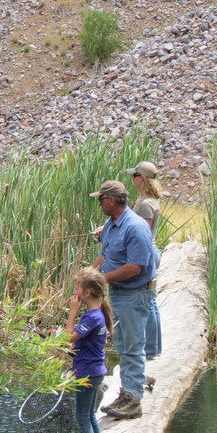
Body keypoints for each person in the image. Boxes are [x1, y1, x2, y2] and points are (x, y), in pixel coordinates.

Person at [89, 180, 157, 420]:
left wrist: (101, 280)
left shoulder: (136, 227)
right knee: (124, 346)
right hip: (119, 293)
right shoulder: (112, 223)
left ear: (111, 201)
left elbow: (134, 268)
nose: (99, 204)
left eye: (101, 200)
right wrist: (90, 272)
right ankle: (127, 391)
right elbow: (106, 253)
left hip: (134, 294)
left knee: (132, 347)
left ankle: (133, 400)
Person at [65, 266, 112, 433]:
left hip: (87, 374)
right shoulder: (98, 313)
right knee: (91, 416)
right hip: (95, 371)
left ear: (86, 293)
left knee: (82, 418)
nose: (74, 292)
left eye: (77, 288)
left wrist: (72, 311)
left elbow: (68, 338)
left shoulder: (91, 317)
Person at [127, 161, 163, 363]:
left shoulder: (147, 204)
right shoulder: (145, 200)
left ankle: (150, 350)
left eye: (134, 175)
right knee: (151, 300)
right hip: (150, 252)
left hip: (147, 253)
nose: (132, 178)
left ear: (141, 178)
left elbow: (142, 233)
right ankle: (153, 349)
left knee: (147, 301)